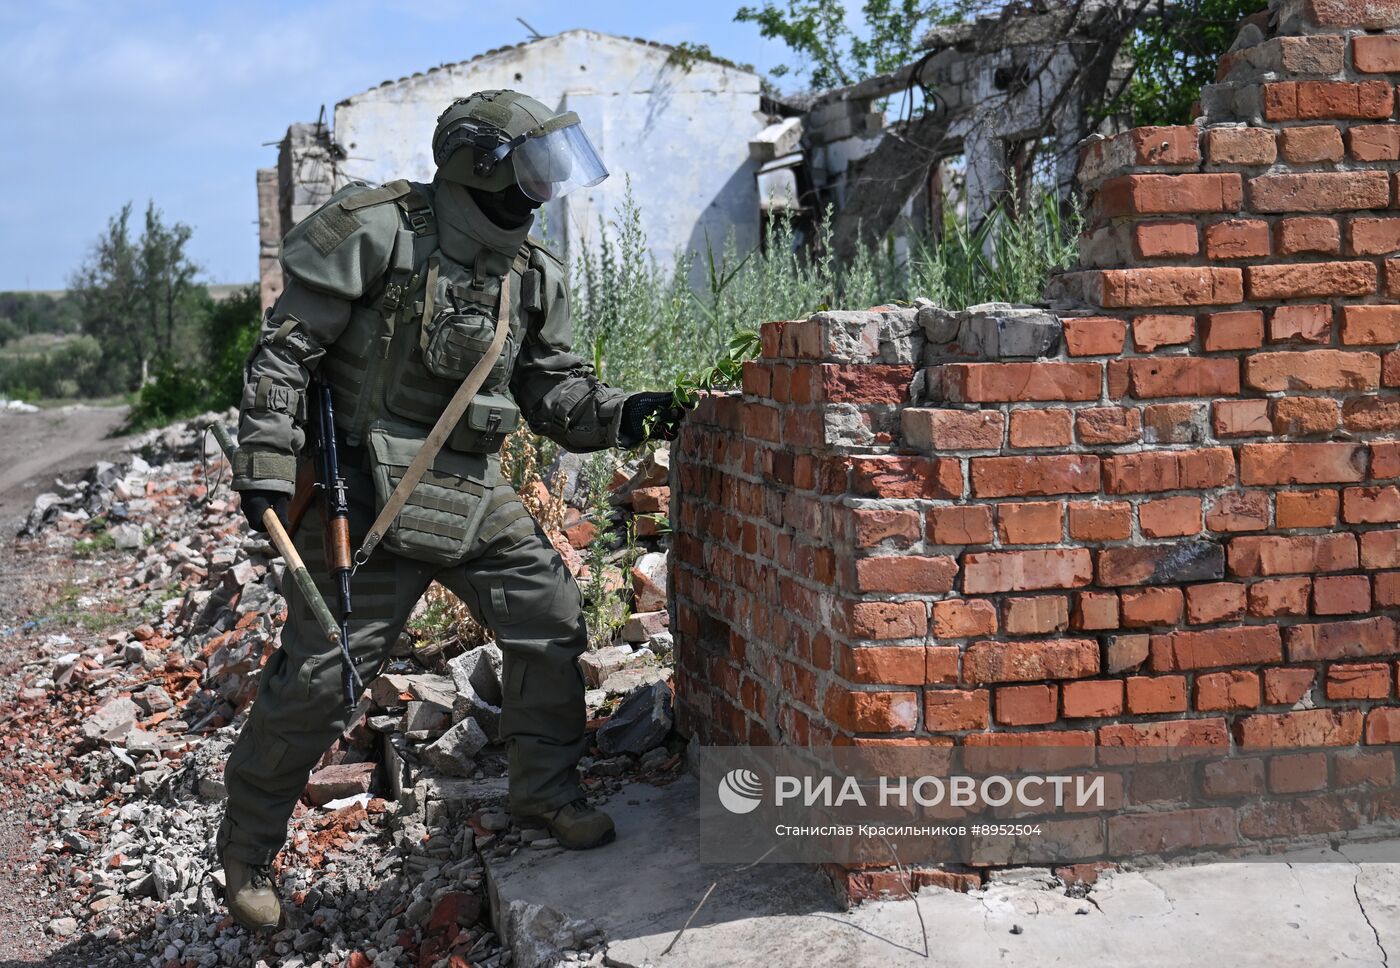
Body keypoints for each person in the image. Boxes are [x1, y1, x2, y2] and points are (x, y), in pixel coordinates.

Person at [217, 90, 682, 930]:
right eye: (532, 169)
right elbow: (286, 353)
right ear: (478, 164)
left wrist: (629, 412)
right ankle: (247, 848)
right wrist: (266, 466)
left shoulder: (532, 275)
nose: (544, 189)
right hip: (363, 499)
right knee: (322, 679)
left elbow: (555, 394)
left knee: (551, 615)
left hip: (471, 489)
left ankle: (544, 794)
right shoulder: (379, 229)